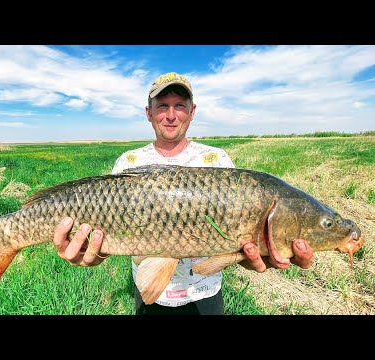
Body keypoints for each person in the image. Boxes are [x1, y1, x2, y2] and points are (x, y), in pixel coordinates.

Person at [53, 72, 314, 315]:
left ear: (192, 112)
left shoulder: (218, 161)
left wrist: (262, 255)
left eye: (179, 106)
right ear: (149, 113)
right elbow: (106, 242)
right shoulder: (128, 163)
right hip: (150, 293)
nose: (171, 115)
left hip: (205, 292)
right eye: (162, 106)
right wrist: (89, 255)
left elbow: (240, 251)